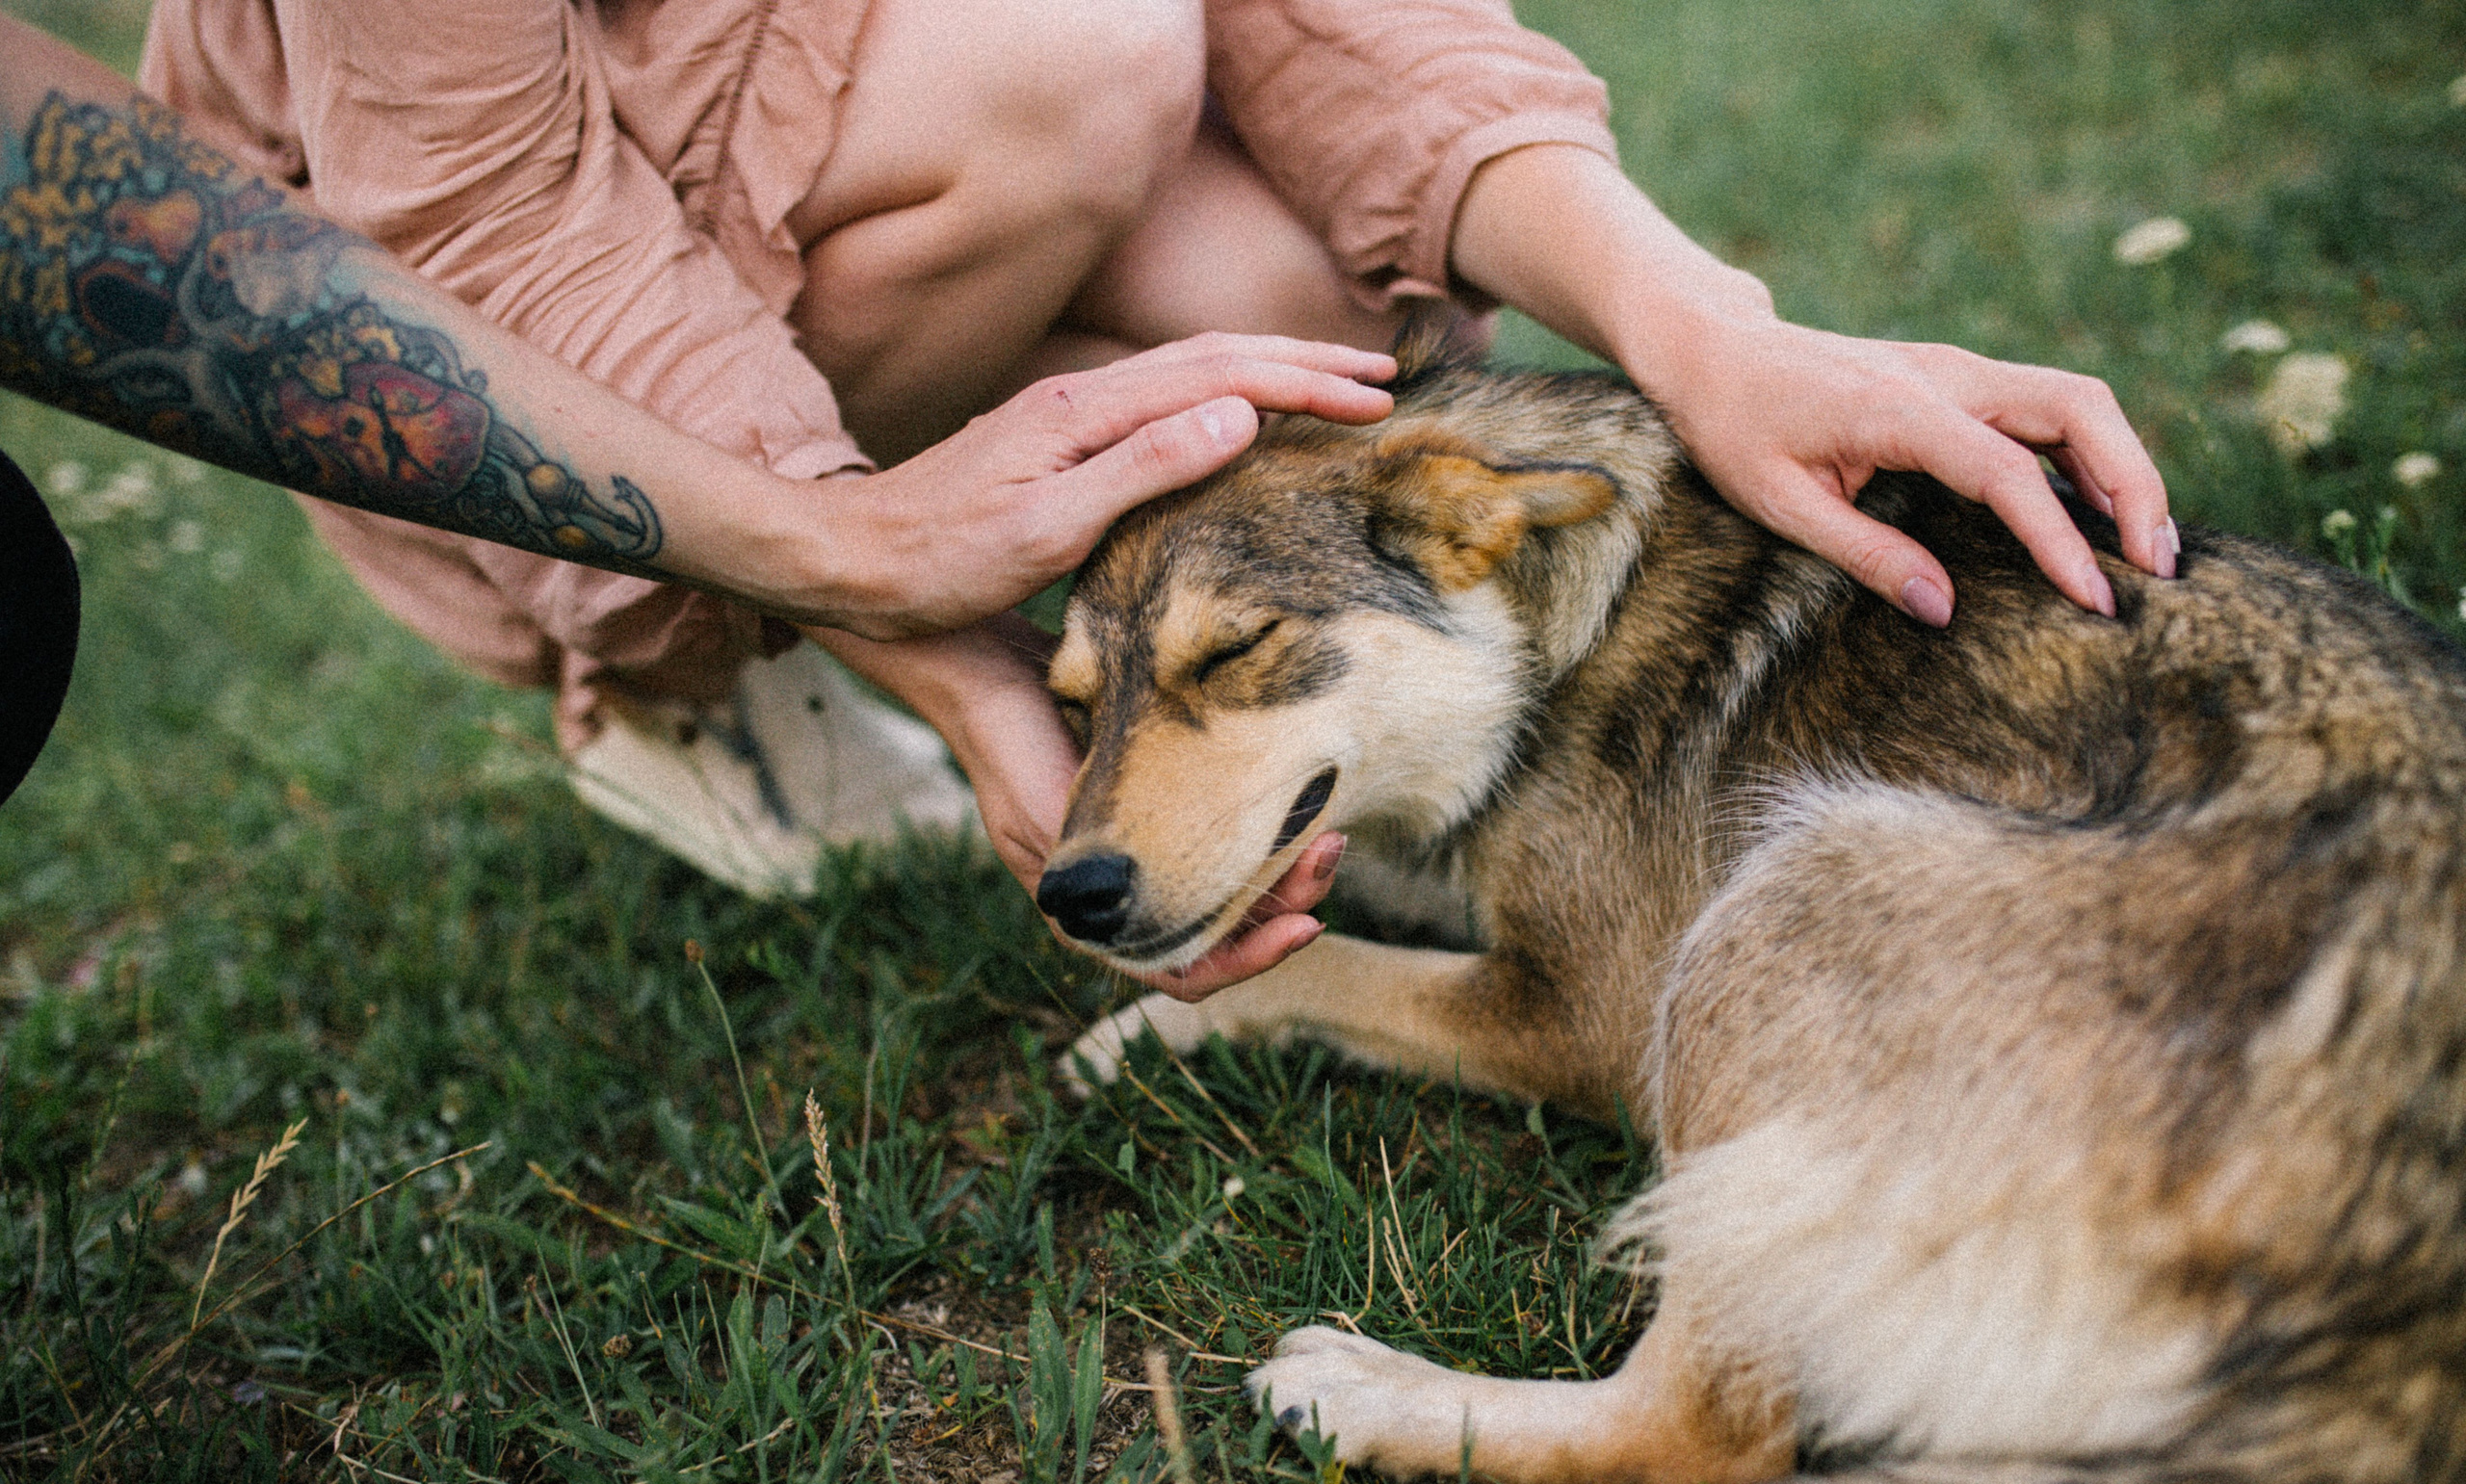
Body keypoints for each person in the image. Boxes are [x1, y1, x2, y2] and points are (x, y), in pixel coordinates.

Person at [133, 0, 2175, 1002]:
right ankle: (713, 670)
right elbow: (496, 228)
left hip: (846, 115)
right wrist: (918, 623)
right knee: (1078, 47)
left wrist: (1704, 328)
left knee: (1283, 322)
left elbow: (1341, 21)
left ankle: (1227, 672)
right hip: (456, 333)